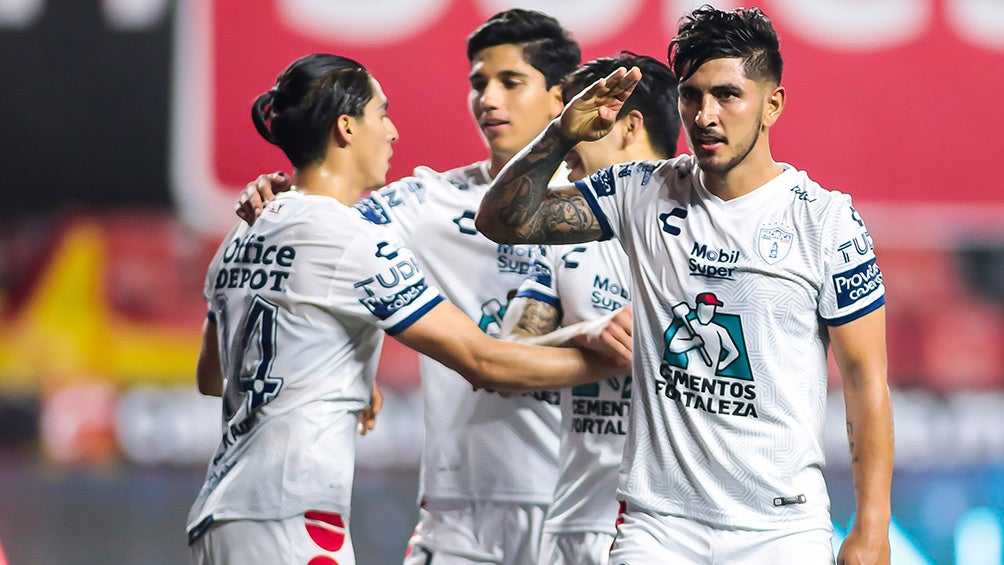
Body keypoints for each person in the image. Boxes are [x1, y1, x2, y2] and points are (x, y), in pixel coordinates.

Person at [476, 5, 893, 564]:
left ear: (773, 104)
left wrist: (871, 528)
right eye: (691, 95)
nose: (705, 114)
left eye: (727, 95)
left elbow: (867, 382)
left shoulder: (825, 222)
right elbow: (502, 220)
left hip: (781, 530)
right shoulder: (640, 190)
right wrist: (559, 135)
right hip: (658, 527)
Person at [188, 53, 625, 565]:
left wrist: (335, 368)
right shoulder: (353, 237)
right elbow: (482, 360)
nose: (393, 132)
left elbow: (212, 376)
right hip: (292, 511)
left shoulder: (243, 231)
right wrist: (613, 354)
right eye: (382, 113)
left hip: (218, 515)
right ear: (346, 128)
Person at [498, 52, 680, 565]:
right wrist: (583, 333)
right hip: (576, 523)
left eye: (578, 119)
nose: (565, 138)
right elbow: (506, 362)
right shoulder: (561, 238)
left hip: (680, 527)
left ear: (629, 125)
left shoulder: (707, 232)